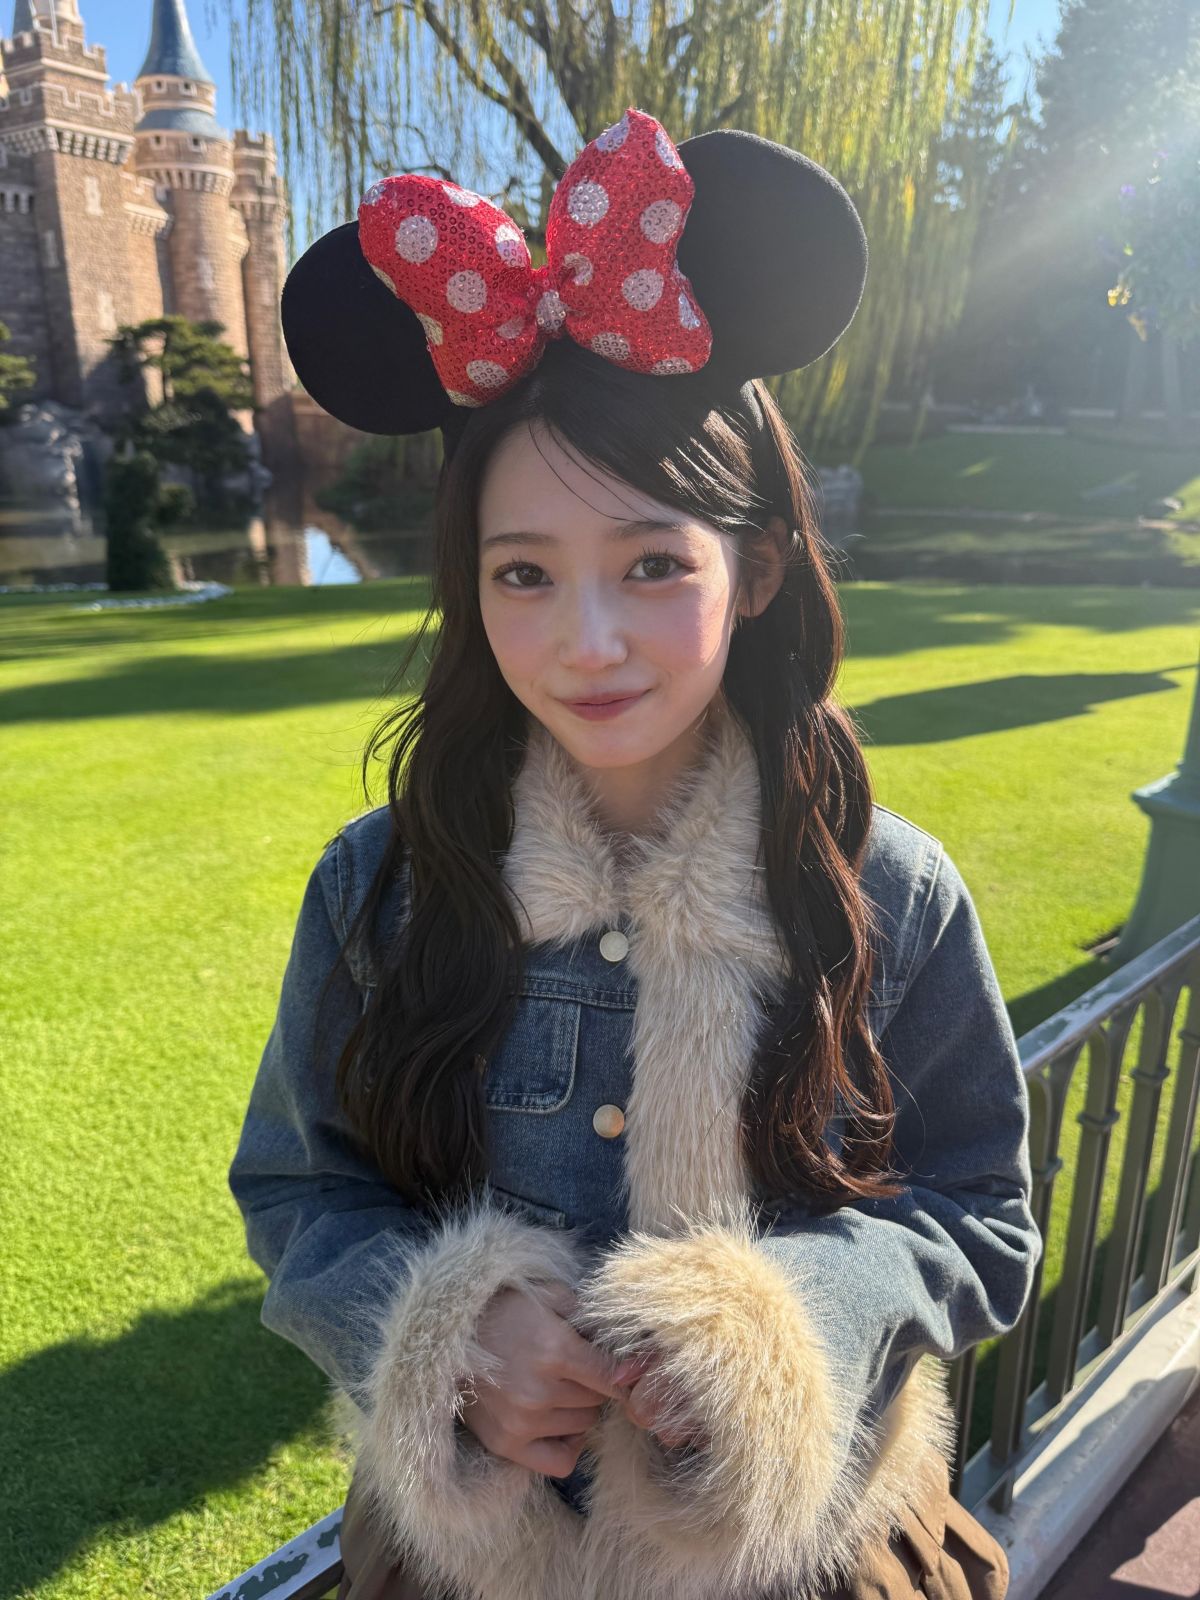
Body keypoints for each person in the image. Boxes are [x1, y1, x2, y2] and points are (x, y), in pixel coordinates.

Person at [229, 107, 1042, 1600]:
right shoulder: (380, 887)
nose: (587, 641)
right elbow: (297, 1189)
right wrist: (443, 1330)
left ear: (760, 567)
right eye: (524, 574)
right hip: (463, 1568)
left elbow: (982, 1217)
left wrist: (789, 1328)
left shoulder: (888, 893)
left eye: (654, 563)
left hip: (807, 1562)